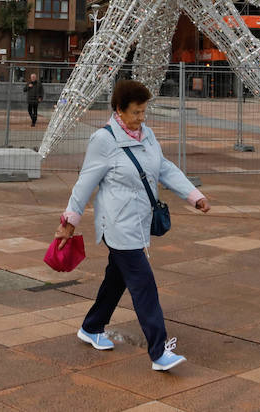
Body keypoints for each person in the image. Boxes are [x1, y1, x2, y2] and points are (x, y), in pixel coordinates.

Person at [55, 79, 210, 371]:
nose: (141, 119)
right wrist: (69, 222)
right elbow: (84, 183)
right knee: (144, 285)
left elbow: (164, 168)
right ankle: (159, 351)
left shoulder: (147, 135)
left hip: (139, 221)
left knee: (117, 279)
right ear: (119, 110)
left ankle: (92, 326)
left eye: (144, 112)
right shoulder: (104, 140)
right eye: (136, 113)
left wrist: (193, 195)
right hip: (117, 224)